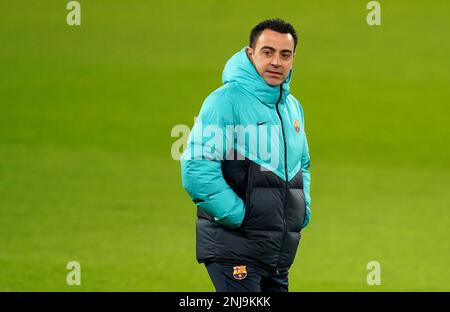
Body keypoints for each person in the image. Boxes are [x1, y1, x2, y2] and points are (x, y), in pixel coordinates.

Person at [180, 18, 311, 292]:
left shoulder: (292, 107)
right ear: (251, 53)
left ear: (293, 59)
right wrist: (239, 216)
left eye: (284, 54)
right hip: (234, 249)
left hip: (276, 252)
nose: (276, 61)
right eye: (268, 52)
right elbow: (197, 168)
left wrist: (302, 210)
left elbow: (303, 164)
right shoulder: (225, 100)